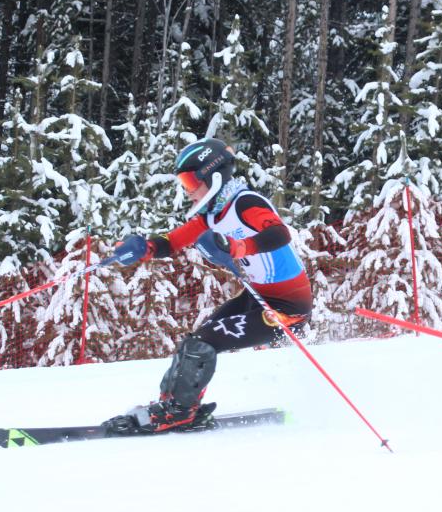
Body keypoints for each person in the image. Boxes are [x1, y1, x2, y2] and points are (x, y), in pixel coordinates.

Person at [105, 138, 312, 433]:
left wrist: (238, 247)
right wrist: (145, 248)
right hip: (258, 296)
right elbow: (173, 240)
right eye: (183, 183)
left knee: (202, 343)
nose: (188, 190)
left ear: (213, 175)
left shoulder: (245, 203)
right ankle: (173, 404)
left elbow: (280, 234)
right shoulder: (213, 213)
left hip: (288, 308)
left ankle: (179, 412)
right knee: (195, 342)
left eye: (191, 182)